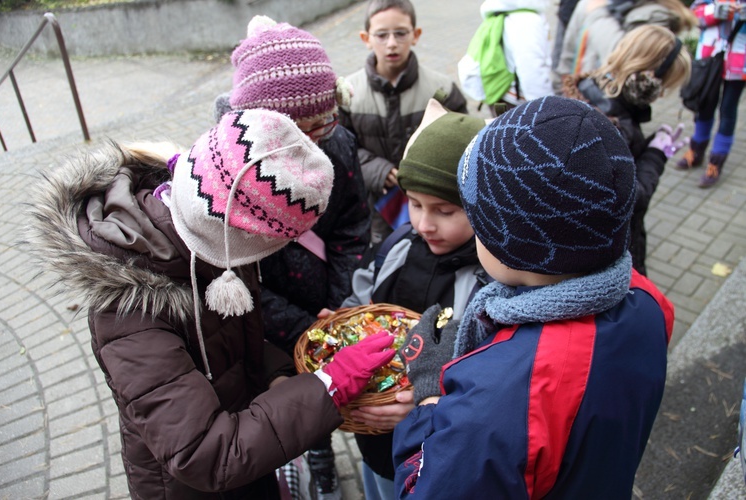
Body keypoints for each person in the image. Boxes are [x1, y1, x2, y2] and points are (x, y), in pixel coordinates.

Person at [22, 109, 397, 499]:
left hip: (247, 455)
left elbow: (226, 344)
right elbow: (208, 455)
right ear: (237, 234)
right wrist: (327, 386)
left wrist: (277, 373)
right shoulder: (130, 313)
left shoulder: (211, 245)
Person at [393, 96, 675, 498]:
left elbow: (425, 488)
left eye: (477, 216)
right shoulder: (647, 301)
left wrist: (430, 399)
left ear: (511, 240)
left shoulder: (500, 399)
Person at [213, 15, 371, 498]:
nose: (319, 138)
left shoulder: (337, 144)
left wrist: (344, 300)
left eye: (326, 121)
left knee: (339, 382)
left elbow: (352, 227)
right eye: (305, 129)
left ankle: (326, 453)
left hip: (328, 296)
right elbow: (234, 272)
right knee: (298, 396)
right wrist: (300, 323)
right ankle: (315, 455)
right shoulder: (230, 170)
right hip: (272, 316)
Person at [320, 99, 487, 500]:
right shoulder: (399, 243)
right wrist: (344, 321)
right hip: (373, 433)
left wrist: (424, 405)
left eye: (444, 210)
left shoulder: (487, 283)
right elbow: (365, 292)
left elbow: (483, 377)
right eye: (414, 204)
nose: (424, 224)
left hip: (433, 453)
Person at [562, 24, 691, 275]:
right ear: (650, 78)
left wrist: (647, 146)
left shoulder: (592, 89)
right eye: (664, 86)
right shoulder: (614, 125)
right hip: (616, 250)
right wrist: (656, 154)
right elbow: (630, 199)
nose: (662, 95)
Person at [339, 0, 469, 246]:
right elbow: (342, 148)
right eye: (381, 35)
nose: (391, 43)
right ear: (366, 38)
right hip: (375, 205)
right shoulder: (348, 95)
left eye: (400, 33)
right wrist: (378, 169)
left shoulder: (441, 89)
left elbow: (465, 143)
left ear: (415, 35)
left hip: (435, 207)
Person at [675, 0, 746, 188]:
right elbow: (693, 16)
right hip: (710, 56)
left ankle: (716, 161)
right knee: (704, 105)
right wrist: (716, 11)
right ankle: (696, 151)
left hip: (739, 60)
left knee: (728, 110)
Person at [556, 0, 697, 78]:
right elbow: (569, 47)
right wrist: (562, 83)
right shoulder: (597, 3)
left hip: (606, 98)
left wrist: (598, 14)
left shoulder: (655, 13)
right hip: (580, 86)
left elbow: (623, 60)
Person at [458, 0, 554, 114]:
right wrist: (549, 110)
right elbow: (532, 71)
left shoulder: (506, 9)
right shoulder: (527, 20)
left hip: (500, 92)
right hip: (515, 103)